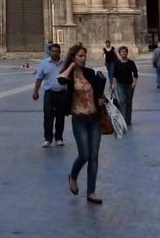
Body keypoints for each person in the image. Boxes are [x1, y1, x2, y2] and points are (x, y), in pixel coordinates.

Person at [58, 45, 107, 203]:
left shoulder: (90, 73)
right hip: (79, 119)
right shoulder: (69, 76)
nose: (83, 58)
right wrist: (72, 66)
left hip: (94, 118)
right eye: (80, 56)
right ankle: (73, 175)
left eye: (84, 55)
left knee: (94, 156)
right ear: (73, 57)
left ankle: (91, 192)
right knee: (84, 154)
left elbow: (99, 92)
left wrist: (101, 99)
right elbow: (60, 80)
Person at [32, 43, 67, 148]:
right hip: (49, 93)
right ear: (49, 52)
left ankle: (59, 138)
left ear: (60, 52)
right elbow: (39, 78)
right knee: (48, 116)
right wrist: (35, 91)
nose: (55, 53)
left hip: (62, 94)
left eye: (57, 51)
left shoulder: (65, 63)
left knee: (61, 117)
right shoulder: (44, 63)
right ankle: (48, 139)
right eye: (53, 51)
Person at [110, 46, 138, 126]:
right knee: (122, 101)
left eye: (125, 51)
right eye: (122, 51)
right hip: (120, 85)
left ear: (127, 52)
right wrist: (113, 84)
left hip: (129, 84)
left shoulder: (131, 63)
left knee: (129, 102)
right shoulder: (117, 63)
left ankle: (128, 120)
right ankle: (123, 119)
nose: (123, 53)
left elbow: (135, 74)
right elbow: (114, 75)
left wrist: (134, 83)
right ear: (119, 53)